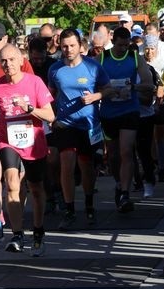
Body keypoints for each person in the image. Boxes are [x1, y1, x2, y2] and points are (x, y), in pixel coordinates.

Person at [0, 44, 55, 255]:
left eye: (12, 59)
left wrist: (28, 108)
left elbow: (50, 116)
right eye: (3, 60)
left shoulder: (35, 82)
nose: (8, 64)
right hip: (7, 140)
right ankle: (17, 234)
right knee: (11, 183)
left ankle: (38, 231)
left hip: (33, 141)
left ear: (21, 60)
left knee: (35, 188)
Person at [48, 29, 110, 229]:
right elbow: (50, 95)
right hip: (65, 124)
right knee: (66, 163)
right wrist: (51, 117)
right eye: (64, 46)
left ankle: (89, 205)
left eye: (72, 45)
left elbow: (108, 89)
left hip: (89, 124)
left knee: (86, 165)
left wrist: (95, 97)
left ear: (80, 46)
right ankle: (69, 210)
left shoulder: (93, 66)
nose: (68, 50)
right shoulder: (55, 69)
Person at [97, 26, 155, 213]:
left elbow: (148, 84)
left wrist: (133, 87)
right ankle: (118, 183)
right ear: (113, 42)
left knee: (126, 151)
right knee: (113, 155)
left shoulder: (135, 58)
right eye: (120, 45)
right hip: (108, 112)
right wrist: (105, 91)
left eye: (126, 45)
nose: (123, 49)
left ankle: (125, 193)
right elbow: (91, 82)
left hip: (129, 110)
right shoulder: (102, 58)